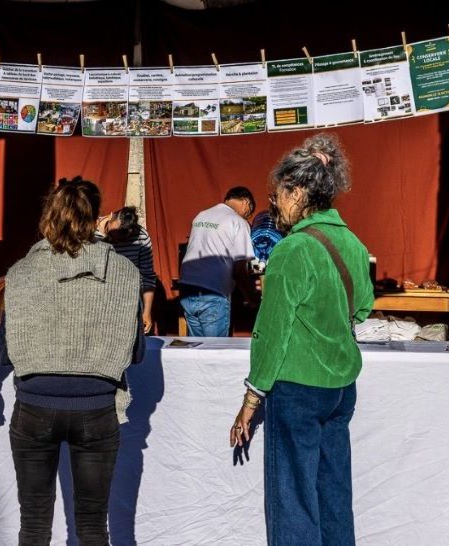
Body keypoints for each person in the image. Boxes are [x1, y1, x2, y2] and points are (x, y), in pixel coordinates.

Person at [229, 134, 374, 545]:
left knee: (292, 499)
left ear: (297, 192)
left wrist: (251, 400)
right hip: (342, 386)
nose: (274, 204)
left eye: (277, 195)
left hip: (298, 388)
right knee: (333, 494)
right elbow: (361, 310)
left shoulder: (292, 250)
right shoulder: (354, 244)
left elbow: (271, 334)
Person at [0, 176, 143, 545]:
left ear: (49, 216)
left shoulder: (22, 272)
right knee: (92, 525)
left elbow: (3, 353)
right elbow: (135, 353)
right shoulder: (125, 273)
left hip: (34, 407)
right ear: (95, 219)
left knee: (34, 523)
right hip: (97, 408)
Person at [178, 186, 257, 337]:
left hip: (188, 290)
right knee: (215, 352)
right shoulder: (238, 222)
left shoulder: (201, 216)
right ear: (246, 203)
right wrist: (251, 297)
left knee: (197, 350)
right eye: (249, 213)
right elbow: (240, 267)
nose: (248, 216)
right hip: (213, 293)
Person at [97, 206, 157, 333]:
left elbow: (147, 276)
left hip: (128, 303)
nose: (113, 240)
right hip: (98, 303)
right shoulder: (90, 232)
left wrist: (146, 312)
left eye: (119, 238)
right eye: (110, 232)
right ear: (110, 215)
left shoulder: (141, 236)